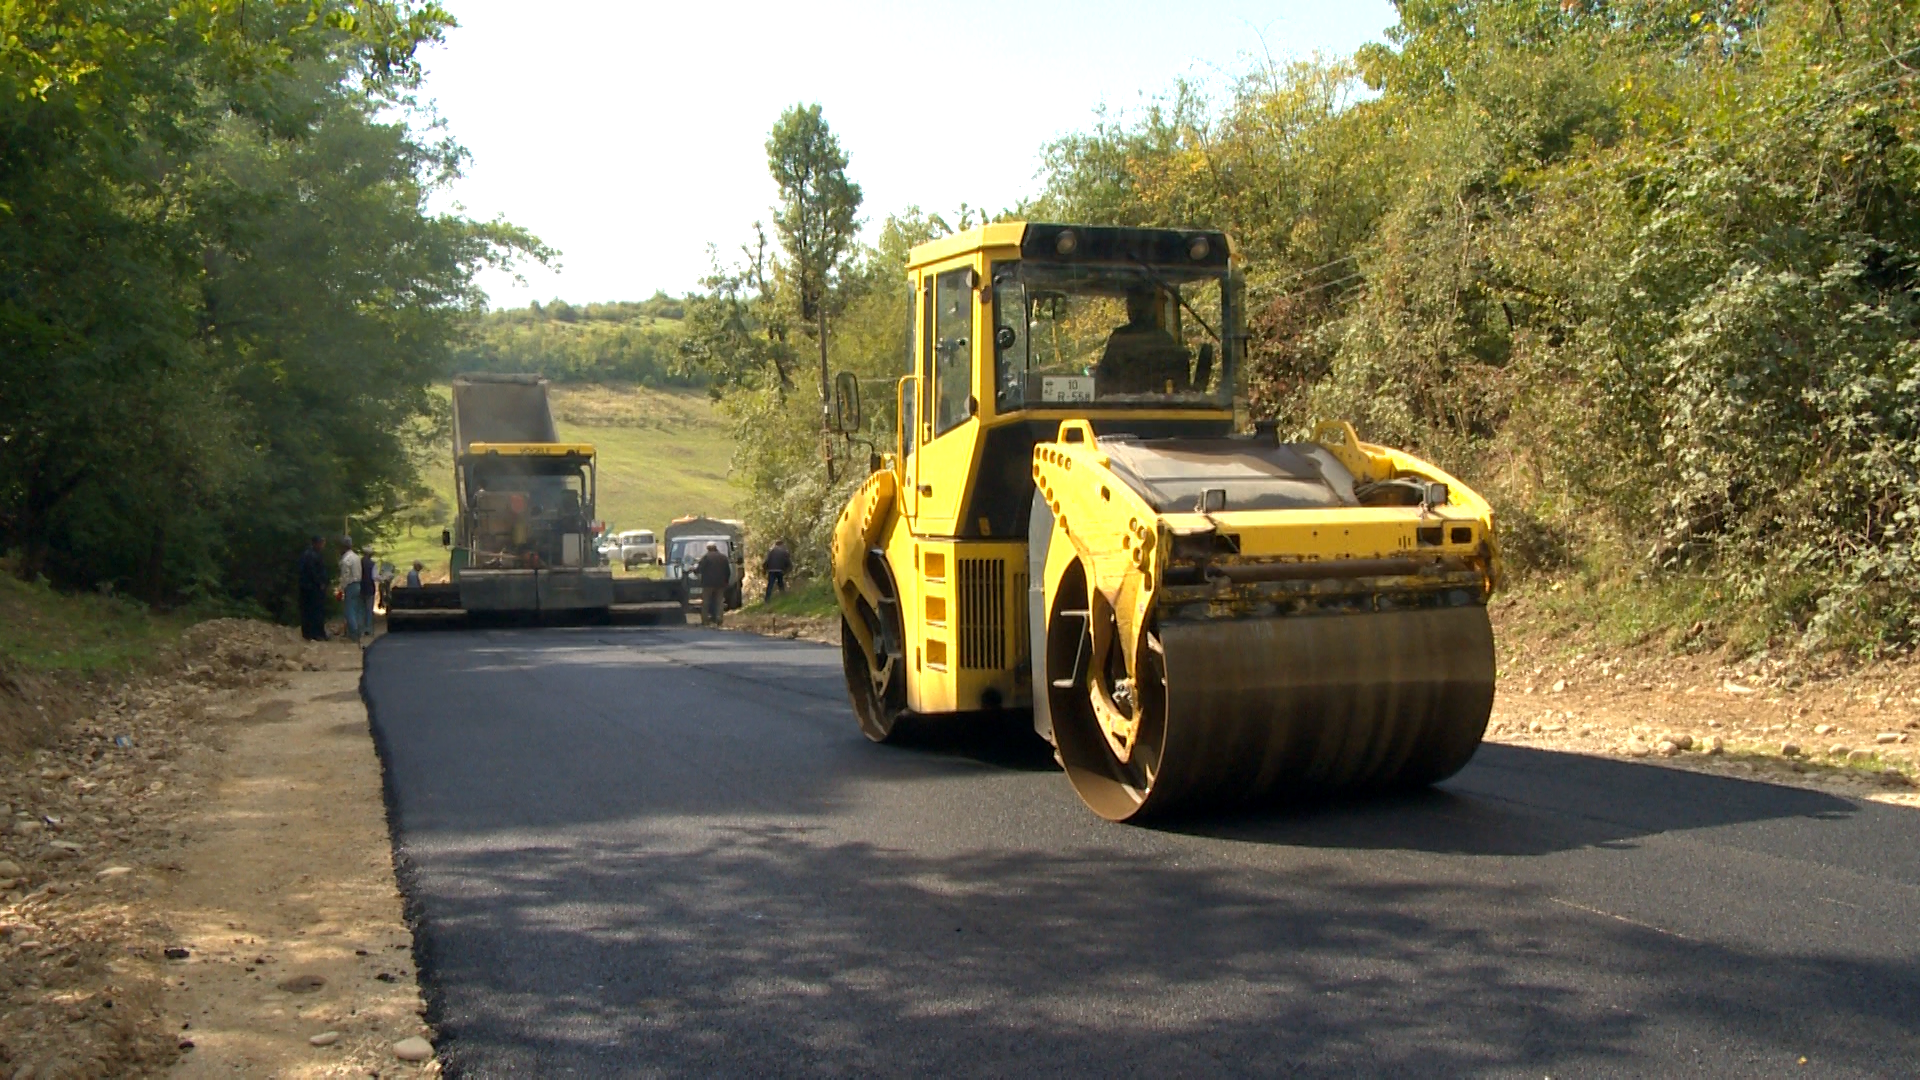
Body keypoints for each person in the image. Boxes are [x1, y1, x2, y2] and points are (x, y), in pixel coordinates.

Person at [1096, 286, 1190, 395]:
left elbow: (1102, 380)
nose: (1131, 308)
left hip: (1123, 407)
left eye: (1134, 303)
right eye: (1130, 303)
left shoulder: (1120, 338)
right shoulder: (1165, 340)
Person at [297, 535, 330, 641]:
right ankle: (316, 633)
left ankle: (308, 632)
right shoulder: (312, 555)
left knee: (308, 610)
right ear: (316, 543)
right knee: (316, 610)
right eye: (321, 543)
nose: (323, 545)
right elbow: (313, 572)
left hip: (306, 586)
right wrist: (320, 583)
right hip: (313, 587)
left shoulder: (307, 554)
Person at [696, 542, 732, 627]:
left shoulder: (706, 557)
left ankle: (705, 620)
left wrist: (694, 571)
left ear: (708, 548)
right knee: (719, 602)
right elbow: (728, 571)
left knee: (706, 602)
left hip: (708, 584)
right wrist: (726, 582)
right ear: (716, 547)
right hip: (720, 584)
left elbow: (699, 569)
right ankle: (719, 619)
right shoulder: (723, 557)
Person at [339, 537, 364, 642]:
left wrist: (341, 587)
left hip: (350, 585)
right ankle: (359, 630)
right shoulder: (356, 557)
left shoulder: (346, 560)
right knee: (356, 609)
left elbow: (345, 575)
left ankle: (353, 634)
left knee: (349, 610)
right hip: (358, 584)